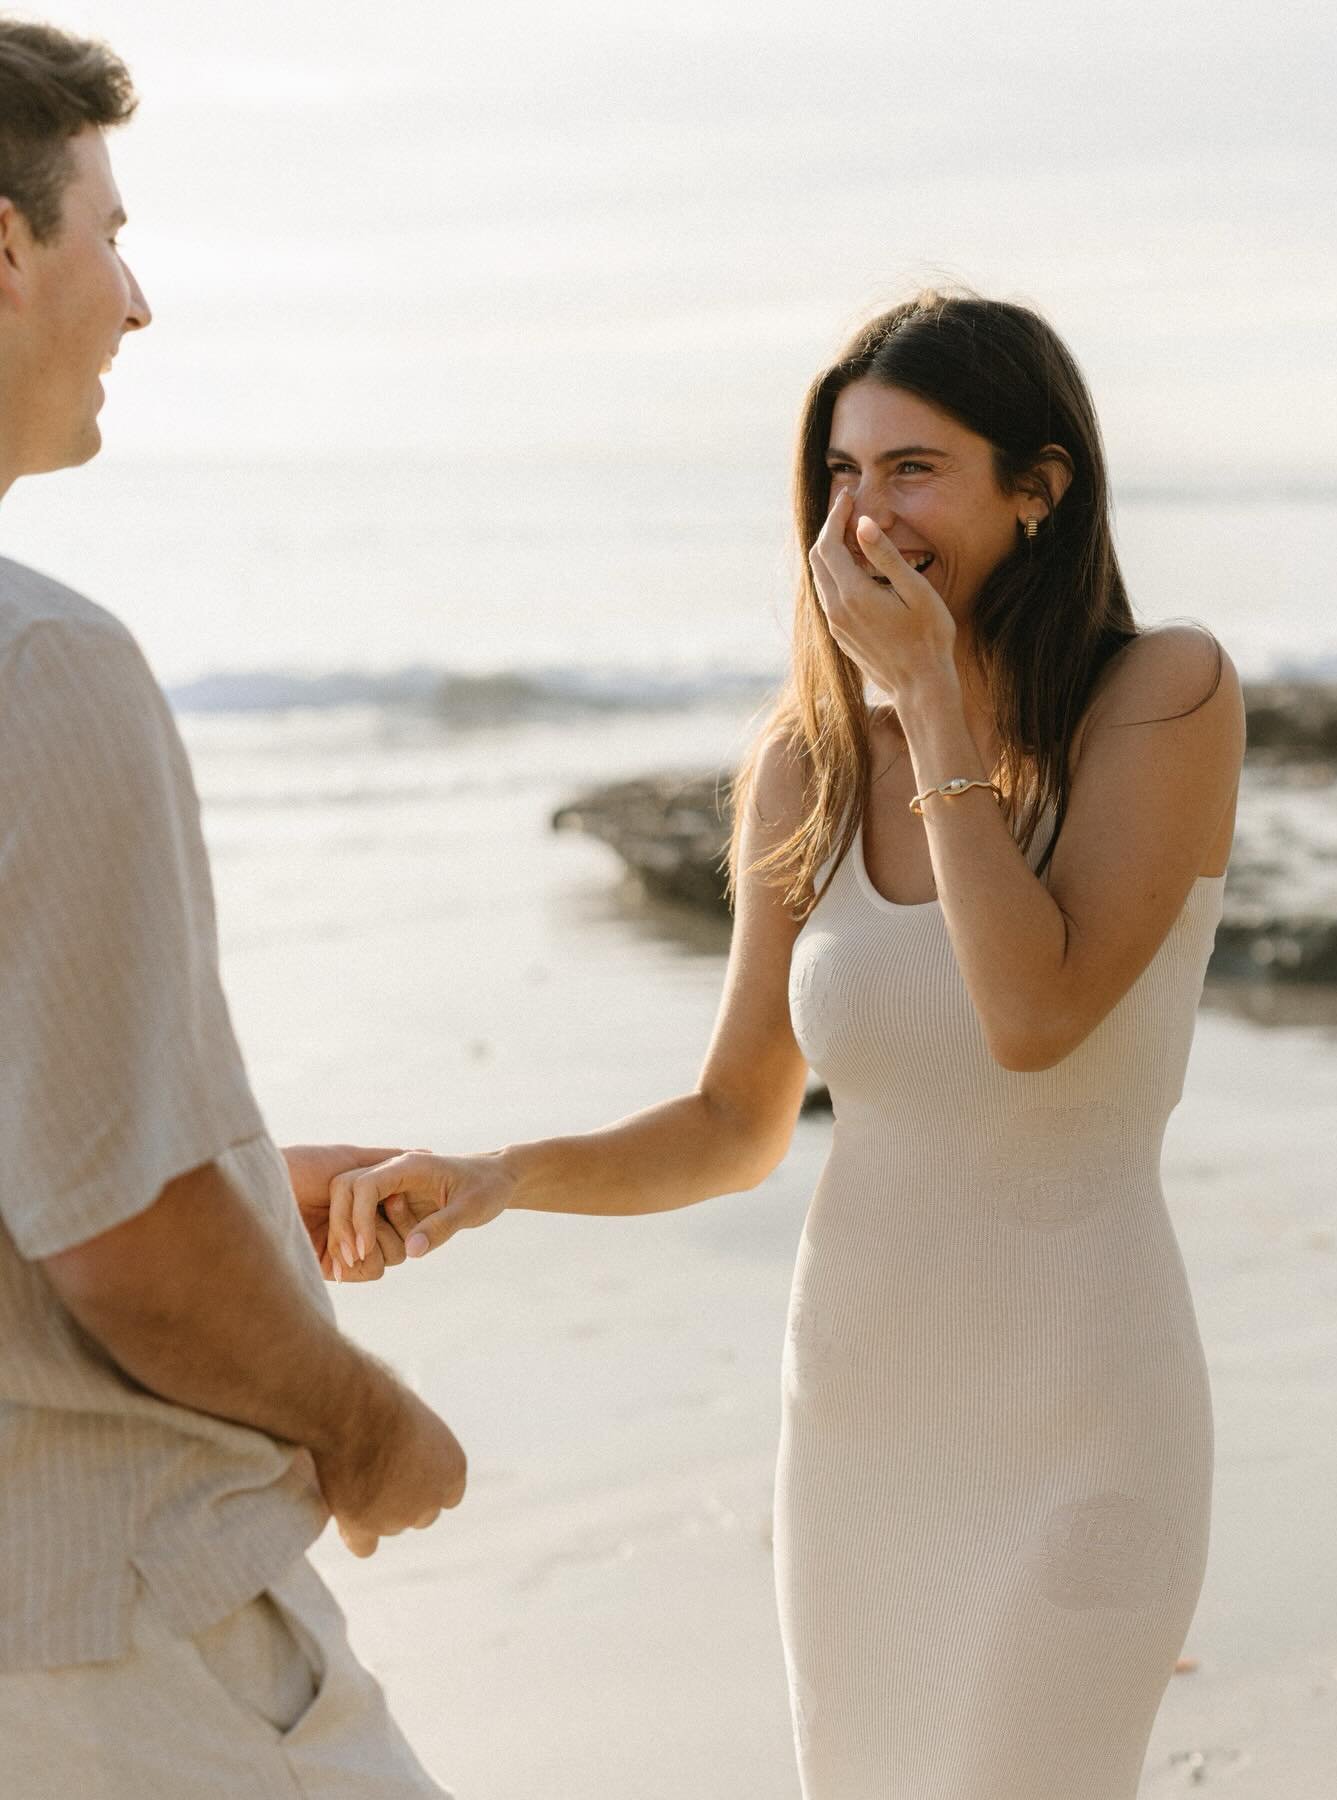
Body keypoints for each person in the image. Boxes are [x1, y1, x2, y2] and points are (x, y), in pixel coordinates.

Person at [329, 292, 1246, 1798]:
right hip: (860, 1433)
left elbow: (1034, 1017)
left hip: (1088, 1422)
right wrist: (495, 1175)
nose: (865, 515)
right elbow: (734, 1122)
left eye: (913, 470)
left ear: (1042, 487)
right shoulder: (801, 772)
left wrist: (933, 698)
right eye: (841, 474)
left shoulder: (1164, 697)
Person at [0, 22, 466, 1797]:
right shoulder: (42, 666)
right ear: (6, 248)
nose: (135, 302)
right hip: (115, 1649)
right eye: (111, 234)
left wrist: (252, 1192)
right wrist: (371, 1429)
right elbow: (124, 1245)